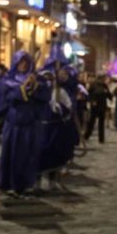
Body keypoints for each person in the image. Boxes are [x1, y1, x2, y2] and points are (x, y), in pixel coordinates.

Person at [0, 50, 48, 196]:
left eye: (26, 62)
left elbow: (45, 98)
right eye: (21, 62)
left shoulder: (37, 79)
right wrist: (22, 90)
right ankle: (8, 184)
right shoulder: (6, 81)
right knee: (12, 155)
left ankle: (25, 185)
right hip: (14, 124)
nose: (24, 65)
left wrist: (36, 87)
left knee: (28, 156)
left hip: (30, 124)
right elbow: (3, 102)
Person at [37, 43, 79, 188]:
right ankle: (36, 181)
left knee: (55, 154)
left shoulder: (60, 91)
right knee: (39, 154)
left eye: (51, 78)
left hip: (55, 129)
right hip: (40, 128)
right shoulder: (39, 90)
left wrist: (59, 108)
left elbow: (68, 106)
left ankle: (52, 180)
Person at [84, 74, 112, 143]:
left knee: (101, 123)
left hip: (102, 105)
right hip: (95, 105)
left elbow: (109, 95)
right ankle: (87, 135)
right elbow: (89, 95)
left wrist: (108, 94)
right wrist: (92, 101)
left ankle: (101, 138)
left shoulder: (104, 86)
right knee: (92, 121)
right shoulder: (93, 85)